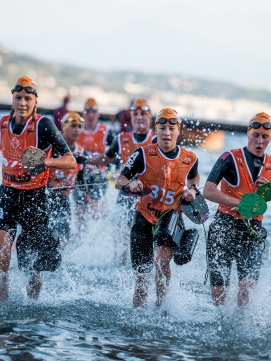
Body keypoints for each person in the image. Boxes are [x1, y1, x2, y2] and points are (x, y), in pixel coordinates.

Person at [0, 76, 76, 301]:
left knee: (33, 266)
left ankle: (32, 309)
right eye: (18, 97)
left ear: (35, 102)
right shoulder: (1, 123)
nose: (22, 103)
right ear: (12, 99)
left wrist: (45, 162)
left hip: (35, 199)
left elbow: (70, 160)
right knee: (2, 256)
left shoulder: (44, 125)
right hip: (8, 196)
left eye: (27, 99)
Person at [202, 112, 271, 307]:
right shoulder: (230, 157)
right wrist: (239, 203)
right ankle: (222, 327)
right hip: (223, 228)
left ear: (270, 138)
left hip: (252, 231)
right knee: (219, 294)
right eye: (256, 135)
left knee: (247, 286)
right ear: (248, 134)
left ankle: (241, 327)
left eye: (265, 137)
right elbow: (208, 191)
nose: (259, 141)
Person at [115, 108, 200, 308]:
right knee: (142, 276)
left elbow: (194, 177)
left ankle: (161, 305)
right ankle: (138, 315)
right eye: (162, 128)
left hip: (171, 216)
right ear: (156, 130)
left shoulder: (190, 158)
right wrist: (130, 184)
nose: (167, 133)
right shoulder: (143, 154)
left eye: (171, 128)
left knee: (162, 262)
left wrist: (193, 190)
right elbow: (120, 179)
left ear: (179, 131)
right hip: (144, 215)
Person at [88, 98, 155, 262]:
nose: (139, 117)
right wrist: (84, 160)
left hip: (148, 194)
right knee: (120, 228)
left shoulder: (156, 140)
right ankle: (121, 260)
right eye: (136, 114)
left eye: (143, 114)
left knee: (145, 231)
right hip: (125, 191)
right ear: (131, 118)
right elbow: (106, 159)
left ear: (150, 118)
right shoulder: (121, 138)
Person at [47, 111, 88, 250]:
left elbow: (81, 179)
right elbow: (44, 178)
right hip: (46, 198)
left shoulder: (81, 152)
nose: (77, 130)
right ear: (64, 126)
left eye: (80, 126)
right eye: (73, 125)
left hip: (63, 200)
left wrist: (85, 195)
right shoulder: (52, 147)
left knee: (64, 239)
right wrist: (60, 184)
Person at [75, 98, 116, 224]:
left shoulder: (106, 131)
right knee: (79, 210)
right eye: (88, 112)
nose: (91, 115)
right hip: (80, 174)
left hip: (99, 174)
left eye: (94, 112)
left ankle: (100, 230)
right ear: (83, 113)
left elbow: (117, 151)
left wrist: (117, 169)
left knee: (96, 210)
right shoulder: (76, 129)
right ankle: (81, 237)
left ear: (98, 114)